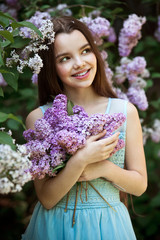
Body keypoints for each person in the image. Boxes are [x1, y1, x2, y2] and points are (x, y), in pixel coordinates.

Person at [22, 16, 147, 240]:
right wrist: (80, 160)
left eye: (86, 50)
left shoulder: (124, 111)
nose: (79, 63)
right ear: (51, 66)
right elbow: (47, 199)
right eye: (65, 58)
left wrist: (102, 168)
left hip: (108, 225)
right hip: (54, 226)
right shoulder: (39, 119)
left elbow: (139, 185)